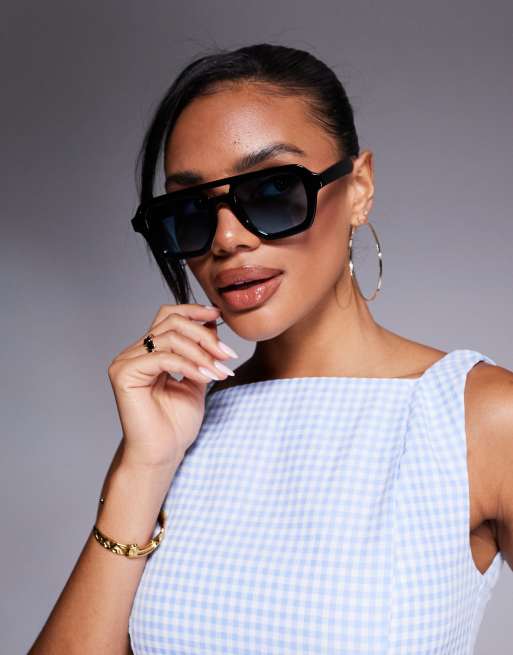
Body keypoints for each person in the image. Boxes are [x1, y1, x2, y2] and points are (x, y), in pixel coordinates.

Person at [29, 43, 513, 655]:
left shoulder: (480, 418)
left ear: (358, 188)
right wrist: (144, 466)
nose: (227, 238)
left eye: (273, 190)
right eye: (191, 210)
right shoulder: (172, 431)